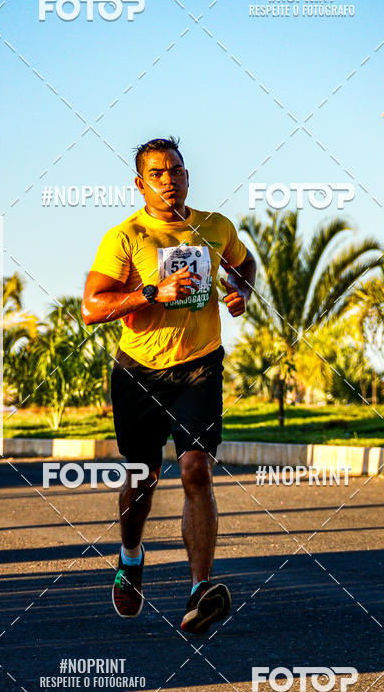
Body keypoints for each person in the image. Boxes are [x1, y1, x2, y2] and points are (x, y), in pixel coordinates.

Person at [82, 137, 256, 635]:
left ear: (187, 175)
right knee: (142, 477)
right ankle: (130, 557)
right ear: (140, 184)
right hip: (139, 371)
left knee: (196, 469)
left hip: (200, 366)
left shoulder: (215, 226)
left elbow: (244, 265)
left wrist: (239, 291)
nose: (169, 179)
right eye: (157, 173)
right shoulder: (125, 237)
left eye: (176, 170)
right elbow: (93, 307)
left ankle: (201, 589)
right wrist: (152, 292)